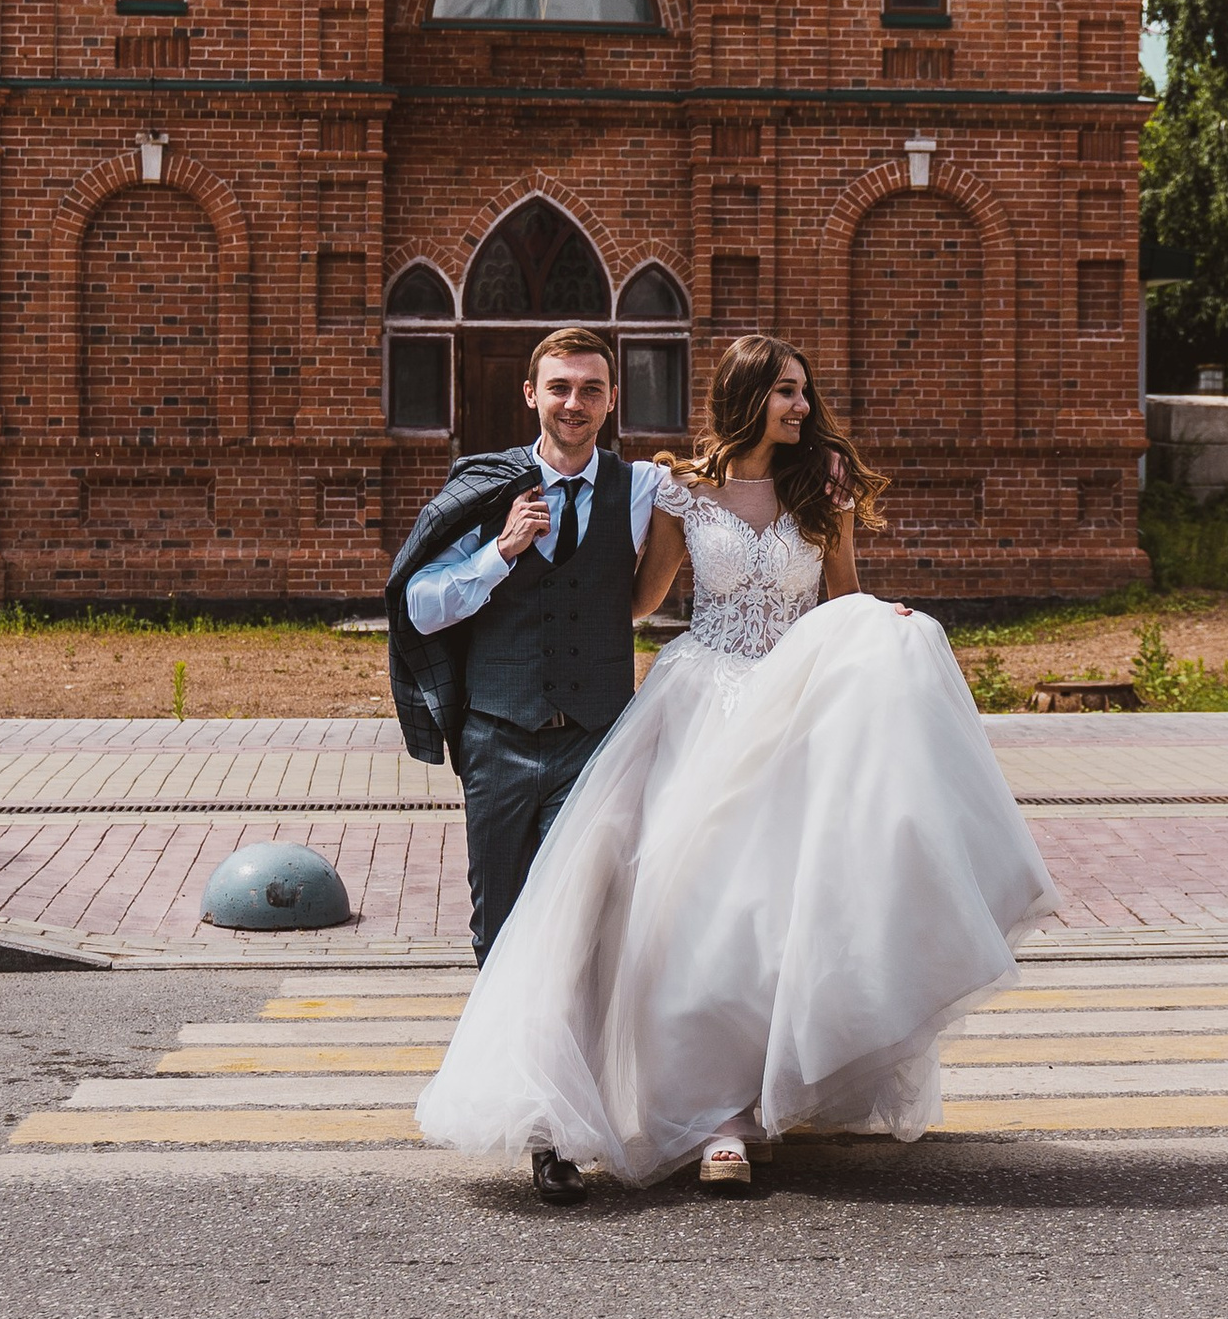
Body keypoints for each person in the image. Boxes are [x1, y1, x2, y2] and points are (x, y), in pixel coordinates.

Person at [418, 331, 1055, 1201]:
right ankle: (712, 1113)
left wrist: (887, 621)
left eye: (804, 392)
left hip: (794, 708)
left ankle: (766, 1096)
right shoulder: (684, 490)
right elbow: (643, 599)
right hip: (701, 701)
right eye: (787, 392)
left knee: (788, 907)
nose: (801, 406)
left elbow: (844, 598)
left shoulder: (820, 491)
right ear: (750, 395)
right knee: (697, 910)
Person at [386, 328, 674, 1192]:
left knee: (574, 933)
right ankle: (517, 1089)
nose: (574, 403)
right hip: (499, 741)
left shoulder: (639, 489)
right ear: (530, 396)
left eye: (590, 389)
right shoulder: (487, 485)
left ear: (611, 400)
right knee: (500, 925)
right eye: (559, 388)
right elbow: (421, 604)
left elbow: (735, 494)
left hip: (592, 743)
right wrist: (497, 551)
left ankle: (552, 1131)